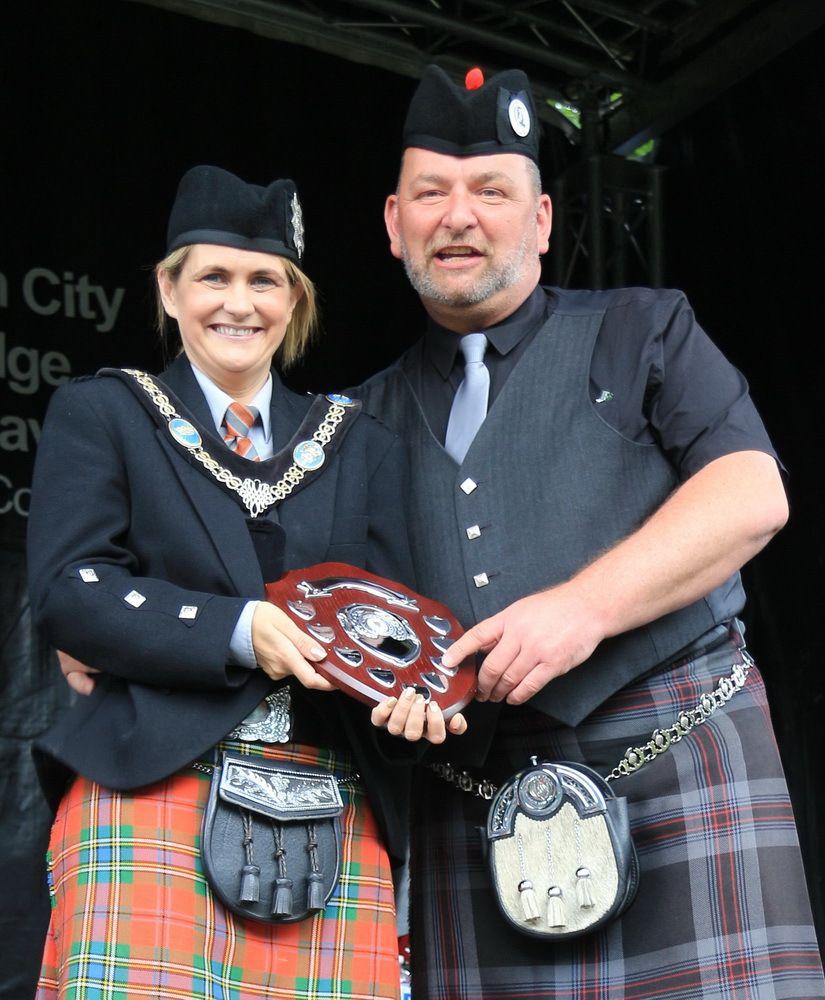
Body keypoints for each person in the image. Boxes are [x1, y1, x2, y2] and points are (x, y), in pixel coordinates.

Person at [356, 66, 825, 999]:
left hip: (676, 748)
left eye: (492, 191)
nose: (458, 215)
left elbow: (750, 493)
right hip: (473, 798)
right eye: (430, 193)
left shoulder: (643, 328)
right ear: (393, 223)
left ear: (540, 222)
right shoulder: (355, 419)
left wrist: (581, 609)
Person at [27, 164, 463, 1000]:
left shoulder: (360, 445)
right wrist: (238, 631)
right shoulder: (106, 412)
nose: (239, 302)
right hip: (148, 785)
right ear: (169, 290)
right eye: (213, 277)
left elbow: (397, 628)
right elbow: (69, 592)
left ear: (293, 301)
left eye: (265, 280)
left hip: (331, 799)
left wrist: (413, 702)